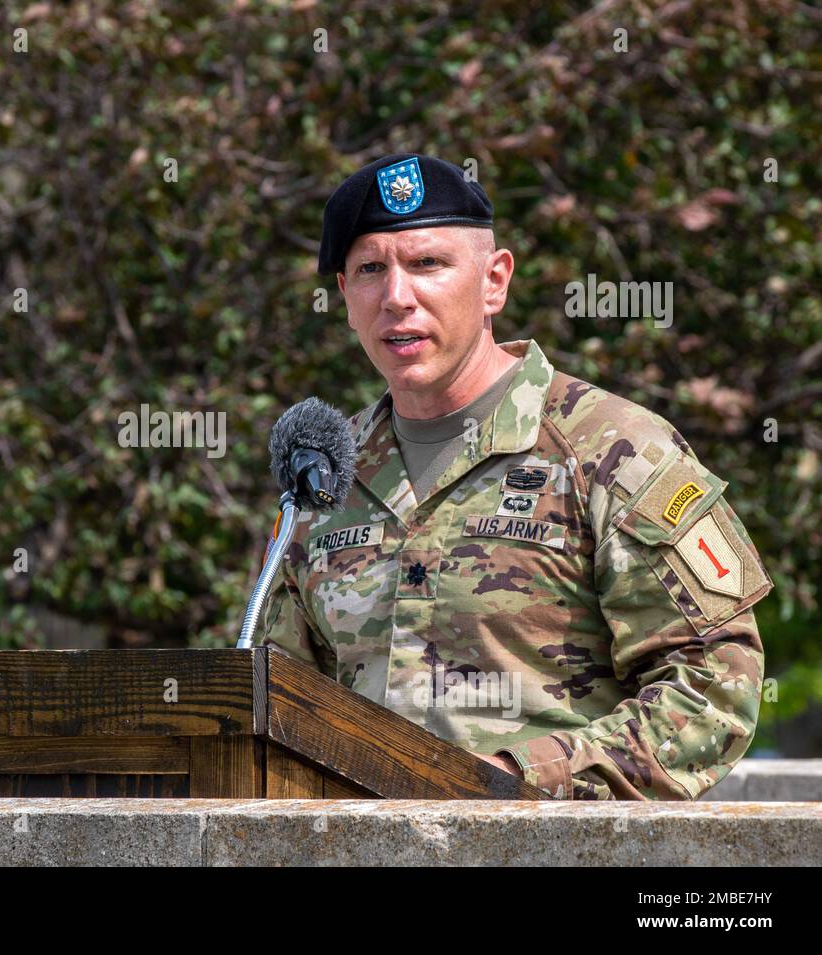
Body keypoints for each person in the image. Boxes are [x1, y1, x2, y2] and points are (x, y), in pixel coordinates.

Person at [258, 153, 771, 800]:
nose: (397, 297)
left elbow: (713, 685)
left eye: (427, 264)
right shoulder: (325, 475)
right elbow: (280, 700)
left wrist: (513, 782)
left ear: (494, 282)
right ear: (345, 298)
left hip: (554, 843)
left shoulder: (612, 449)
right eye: (370, 270)